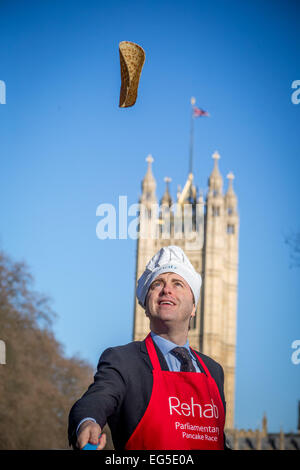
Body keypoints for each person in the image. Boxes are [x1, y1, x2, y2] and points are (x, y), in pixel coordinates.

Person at [68, 245, 227, 450]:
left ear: (194, 307)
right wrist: (88, 421)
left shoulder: (214, 371)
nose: (167, 289)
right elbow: (96, 399)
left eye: (178, 283)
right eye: (157, 284)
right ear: (146, 306)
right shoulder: (124, 360)